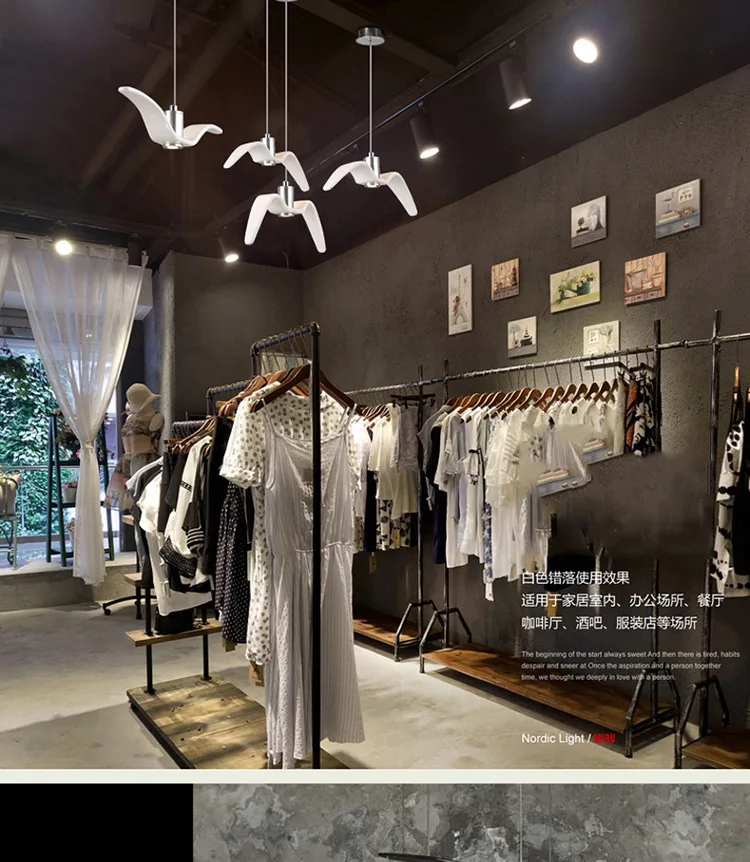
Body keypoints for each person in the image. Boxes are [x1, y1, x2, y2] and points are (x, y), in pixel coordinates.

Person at [105, 384, 163, 513]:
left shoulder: (156, 417)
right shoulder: (130, 417)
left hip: (145, 462)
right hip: (126, 462)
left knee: (143, 498)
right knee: (129, 501)